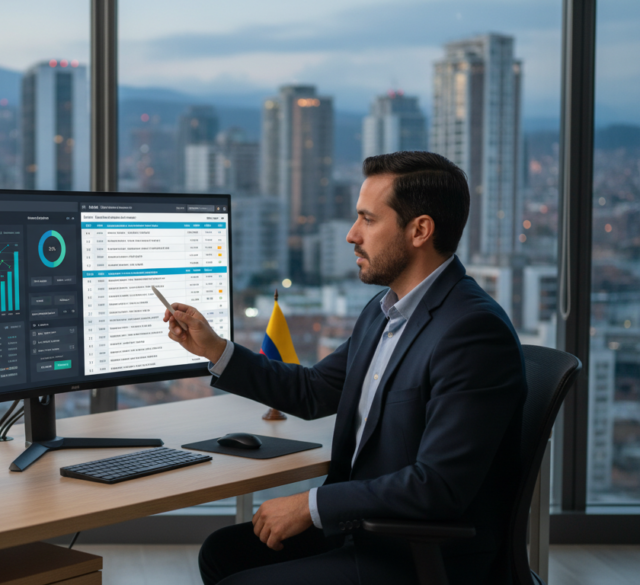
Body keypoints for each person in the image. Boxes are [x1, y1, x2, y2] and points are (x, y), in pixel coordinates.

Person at [163, 151, 526, 585]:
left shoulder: (472, 332)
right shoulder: (384, 311)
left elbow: (437, 486)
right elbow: (315, 390)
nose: (352, 235)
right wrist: (216, 349)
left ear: (420, 231)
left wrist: (311, 505)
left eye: (368, 220)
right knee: (224, 553)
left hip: (420, 556)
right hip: (367, 531)